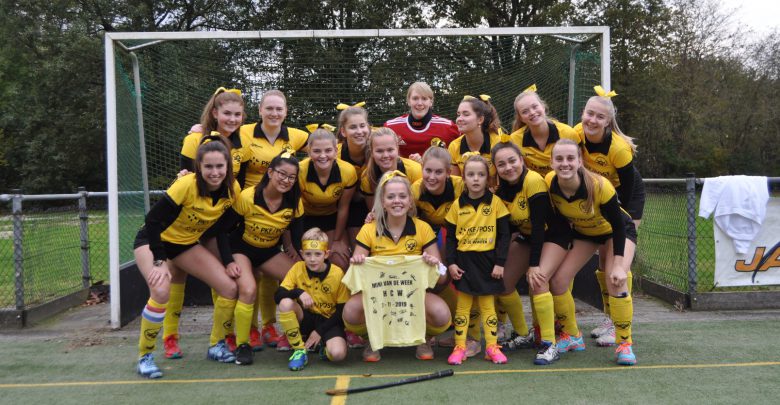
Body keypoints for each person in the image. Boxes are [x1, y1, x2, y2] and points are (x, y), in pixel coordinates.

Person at [133, 137, 241, 378]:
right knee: (161, 291)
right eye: (208, 166)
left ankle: (216, 345)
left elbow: (222, 229)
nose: (215, 172)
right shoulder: (186, 185)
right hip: (153, 241)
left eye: (220, 166)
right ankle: (145, 356)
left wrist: (228, 261)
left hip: (184, 244)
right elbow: (152, 220)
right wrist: (159, 261)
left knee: (229, 287)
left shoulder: (233, 190)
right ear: (199, 167)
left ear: (228, 167)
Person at [163, 87, 253, 360]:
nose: (232, 119)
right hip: (185, 223)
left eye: (237, 114)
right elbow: (184, 177)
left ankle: (223, 336)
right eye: (227, 113)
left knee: (223, 278)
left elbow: (238, 185)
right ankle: (170, 337)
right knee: (176, 277)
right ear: (215, 113)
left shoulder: (243, 144)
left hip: (217, 224)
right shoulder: (194, 140)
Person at [544, 139, 638, 366]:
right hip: (586, 233)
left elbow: (618, 226)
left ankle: (625, 343)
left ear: (579, 161)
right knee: (558, 282)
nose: (565, 163)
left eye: (570, 158)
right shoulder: (549, 182)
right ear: (551, 162)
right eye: (559, 159)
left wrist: (618, 264)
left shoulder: (599, 186)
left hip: (616, 232)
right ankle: (572, 335)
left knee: (616, 279)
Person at [343, 171, 451, 362]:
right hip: (378, 296)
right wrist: (357, 262)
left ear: (410, 201)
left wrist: (435, 265)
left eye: (402, 196)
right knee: (350, 311)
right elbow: (355, 273)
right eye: (391, 197)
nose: (397, 201)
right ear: (382, 202)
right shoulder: (369, 229)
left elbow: (442, 277)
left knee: (441, 314)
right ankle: (371, 339)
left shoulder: (423, 228)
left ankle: (423, 339)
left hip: (413, 295)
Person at [574, 86, 645, 346]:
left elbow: (626, 192)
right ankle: (610, 317)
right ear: (583, 113)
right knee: (603, 261)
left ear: (608, 122)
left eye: (599, 117)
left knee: (618, 260)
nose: (592, 120)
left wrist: (614, 220)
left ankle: (620, 325)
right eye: (589, 113)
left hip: (626, 199)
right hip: (600, 198)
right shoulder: (576, 134)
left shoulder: (619, 148)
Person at [240, 90, 309, 350]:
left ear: (286, 112)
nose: (274, 113)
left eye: (279, 109)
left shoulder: (295, 135)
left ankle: (269, 326)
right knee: (250, 276)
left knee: (273, 273)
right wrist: (199, 130)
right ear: (259, 110)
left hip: (278, 210)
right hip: (250, 207)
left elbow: (325, 145)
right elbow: (216, 138)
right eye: (269, 108)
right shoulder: (244, 132)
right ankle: (248, 330)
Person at [226, 152, 305, 361]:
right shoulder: (248, 196)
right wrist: (227, 260)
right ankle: (243, 344)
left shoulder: (295, 202)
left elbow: (298, 238)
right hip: (241, 249)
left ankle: (299, 333)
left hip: (268, 251)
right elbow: (224, 230)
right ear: (270, 172)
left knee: (301, 279)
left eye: (291, 177)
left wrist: (307, 261)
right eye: (282, 174)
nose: (286, 180)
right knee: (249, 289)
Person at [410, 146, 481, 357]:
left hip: (466, 233)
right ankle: (445, 329)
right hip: (432, 233)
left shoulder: (461, 187)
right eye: (428, 171)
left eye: (439, 172)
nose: (432, 177)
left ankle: (473, 337)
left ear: (449, 172)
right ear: (422, 169)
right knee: (437, 279)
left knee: (469, 278)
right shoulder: (416, 189)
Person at [444, 154, 511, 365]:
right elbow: (450, 239)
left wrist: (500, 263)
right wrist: (451, 263)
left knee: (487, 306)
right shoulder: (457, 205)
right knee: (463, 307)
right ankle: (460, 347)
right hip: (464, 262)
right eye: (471, 174)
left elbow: (505, 236)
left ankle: (492, 347)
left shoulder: (496, 203)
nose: (475, 179)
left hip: (488, 262)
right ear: (464, 178)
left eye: (481, 175)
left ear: (487, 178)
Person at [492, 142, 549, 351]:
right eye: (501, 164)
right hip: (528, 237)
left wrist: (533, 265)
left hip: (552, 238)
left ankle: (554, 334)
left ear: (522, 160)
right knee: (503, 284)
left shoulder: (533, 181)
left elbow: (539, 228)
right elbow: (508, 229)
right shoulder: (501, 191)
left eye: (512, 161)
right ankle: (523, 333)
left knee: (538, 281)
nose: (508, 167)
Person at [275, 227, 349, 371]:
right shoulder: (297, 268)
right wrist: (298, 292)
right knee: (285, 303)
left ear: (326, 254)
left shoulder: (337, 273)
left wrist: (319, 332)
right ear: (302, 254)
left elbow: (341, 311)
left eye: (317, 254)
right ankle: (299, 350)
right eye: (308, 254)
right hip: (306, 318)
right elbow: (278, 295)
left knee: (338, 355)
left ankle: (323, 347)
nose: (312, 259)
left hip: (329, 321)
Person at [297, 127, 357, 270]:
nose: (323, 156)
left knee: (340, 260)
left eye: (328, 150)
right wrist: (289, 246)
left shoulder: (348, 171)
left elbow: (343, 208)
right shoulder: (299, 170)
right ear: (309, 151)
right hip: (304, 218)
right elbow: (292, 208)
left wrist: (337, 240)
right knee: (300, 262)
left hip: (332, 218)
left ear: (336, 151)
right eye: (317, 151)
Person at [509, 85, 580, 177]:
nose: (532, 112)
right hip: (535, 184)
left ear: (543, 107)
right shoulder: (514, 140)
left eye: (535, 106)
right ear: (521, 118)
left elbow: (580, 167)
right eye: (525, 111)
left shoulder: (568, 133)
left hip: (565, 181)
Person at [384, 82, 460, 158]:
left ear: (431, 102)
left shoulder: (448, 127)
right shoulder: (391, 127)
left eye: (424, 99)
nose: (420, 103)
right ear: (408, 101)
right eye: (415, 98)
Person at [359, 127, 422, 209]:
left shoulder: (415, 170)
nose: (385, 155)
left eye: (390, 150)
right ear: (372, 153)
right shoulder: (368, 177)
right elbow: (374, 210)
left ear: (397, 149)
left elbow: (420, 206)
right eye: (379, 151)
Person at [447, 95, 502, 189]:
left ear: (480, 120)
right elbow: (456, 184)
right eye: (458, 114)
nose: (459, 119)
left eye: (466, 114)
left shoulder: (498, 143)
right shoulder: (454, 146)